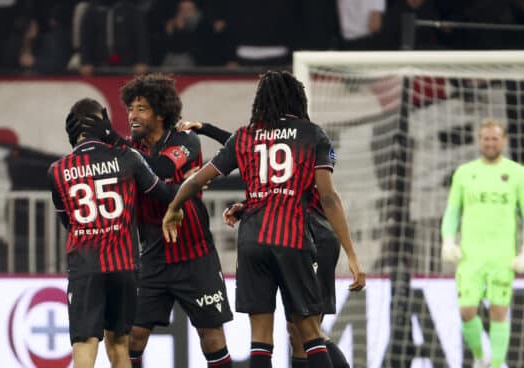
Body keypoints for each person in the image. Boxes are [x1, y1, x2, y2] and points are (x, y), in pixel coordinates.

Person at [163, 71, 365, 368]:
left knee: (260, 337)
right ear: (298, 99)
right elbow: (328, 197)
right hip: (295, 238)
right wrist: (352, 254)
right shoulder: (311, 134)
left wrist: (174, 208)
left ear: (261, 100)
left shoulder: (246, 136)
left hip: (253, 241)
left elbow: (195, 181)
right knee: (309, 332)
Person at [75, 73, 233, 368]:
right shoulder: (129, 150)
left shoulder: (186, 139)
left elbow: (159, 168)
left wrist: (115, 142)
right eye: (130, 109)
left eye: (141, 109)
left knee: (211, 336)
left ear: (160, 113)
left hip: (195, 256)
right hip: (152, 258)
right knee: (133, 337)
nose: (132, 116)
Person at [48, 98, 179, 368]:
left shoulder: (57, 171)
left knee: (85, 344)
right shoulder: (128, 158)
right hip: (124, 265)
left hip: (85, 266)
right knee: (120, 344)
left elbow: (68, 222)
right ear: (103, 123)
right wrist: (193, 183)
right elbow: (162, 193)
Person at [440, 118, 524, 368]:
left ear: (503, 140)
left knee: (498, 312)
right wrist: (448, 241)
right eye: (486, 138)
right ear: (479, 140)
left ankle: (495, 365)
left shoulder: (518, 173)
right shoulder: (464, 173)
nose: (490, 143)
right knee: (467, 311)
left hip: (503, 257)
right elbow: (452, 212)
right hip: (470, 257)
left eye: (495, 138)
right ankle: (479, 356)